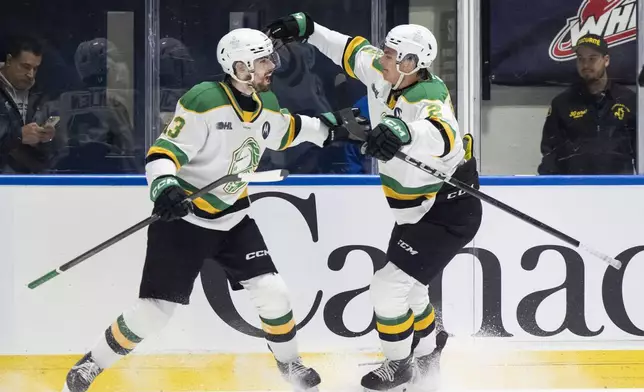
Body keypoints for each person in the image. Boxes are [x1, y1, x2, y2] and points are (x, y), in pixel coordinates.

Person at [61, 27, 362, 392]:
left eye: (271, 58)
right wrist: (165, 188)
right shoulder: (204, 100)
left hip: (234, 216)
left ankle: (290, 363)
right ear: (239, 67)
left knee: (273, 292)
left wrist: (332, 128)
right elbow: (163, 154)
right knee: (154, 313)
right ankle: (91, 364)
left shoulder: (264, 102)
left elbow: (286, 129)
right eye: (263, 60)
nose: (272, 66)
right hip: (185, 218)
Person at [266, 13, 482, 392]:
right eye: (385, 52)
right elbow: (345, 47)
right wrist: (308, 28)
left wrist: (402, 131)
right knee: (411, 288)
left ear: (412, 63)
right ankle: (430, 349)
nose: (382, 58)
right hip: (416, 207)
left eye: (391, 55)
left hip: (448, 207)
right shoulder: (383, 72)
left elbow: (444, 133)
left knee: (388, 287)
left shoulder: (428, 95)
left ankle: (400, 365)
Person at [538, 34, 636, 175]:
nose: (585, 65)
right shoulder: (562, 103)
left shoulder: (628, 100)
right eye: (580, 59)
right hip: (574, 190)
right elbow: (550, 154)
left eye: (592, 58)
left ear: (606, 60)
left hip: (619, 189)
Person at [0, 35, 56, 173]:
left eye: (35, 69)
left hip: (31, 177)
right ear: (8, 60)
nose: (30, 74)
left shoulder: (41, 93)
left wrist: (46, 137)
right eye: (25, 67)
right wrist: (18, 136)